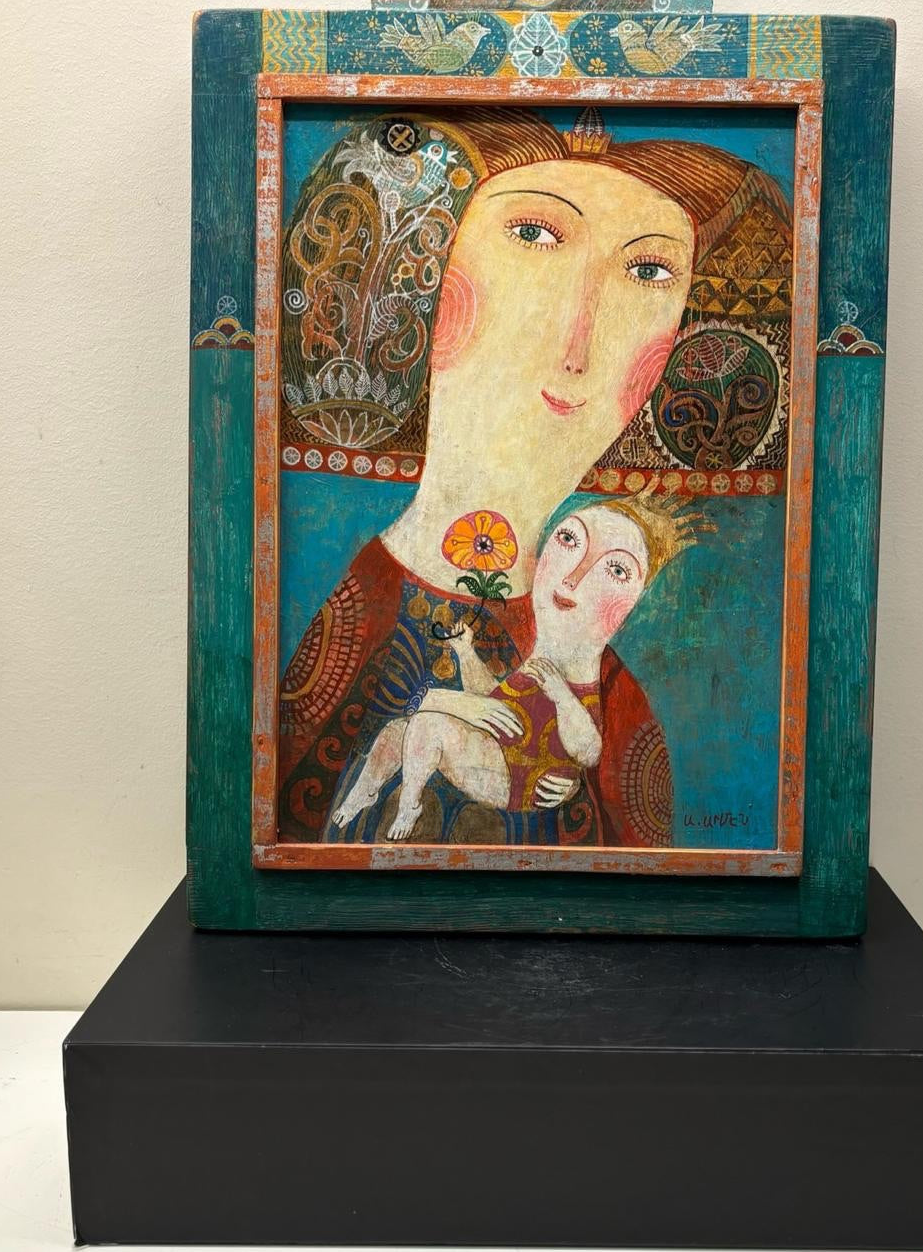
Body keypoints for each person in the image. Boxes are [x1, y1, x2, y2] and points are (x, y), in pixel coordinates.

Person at [276, 106, 790, 846]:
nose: (579, 339)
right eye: (533, 235)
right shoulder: (335, 622)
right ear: (423, 271)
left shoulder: (618, 711)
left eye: (648, 270)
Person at [326, 489, 709, 840]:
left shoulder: (586, 681)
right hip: (491, 752)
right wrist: (466, 653)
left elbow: (590, 750)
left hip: (517, 775)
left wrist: (562, 711)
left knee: (428, 727)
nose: (572, 578)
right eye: (569, 539)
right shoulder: (526, 649)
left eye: (617, 570)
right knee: (395, 733)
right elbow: (494, 703)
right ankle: (365, 791)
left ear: (636, 602)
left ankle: (410, 805)